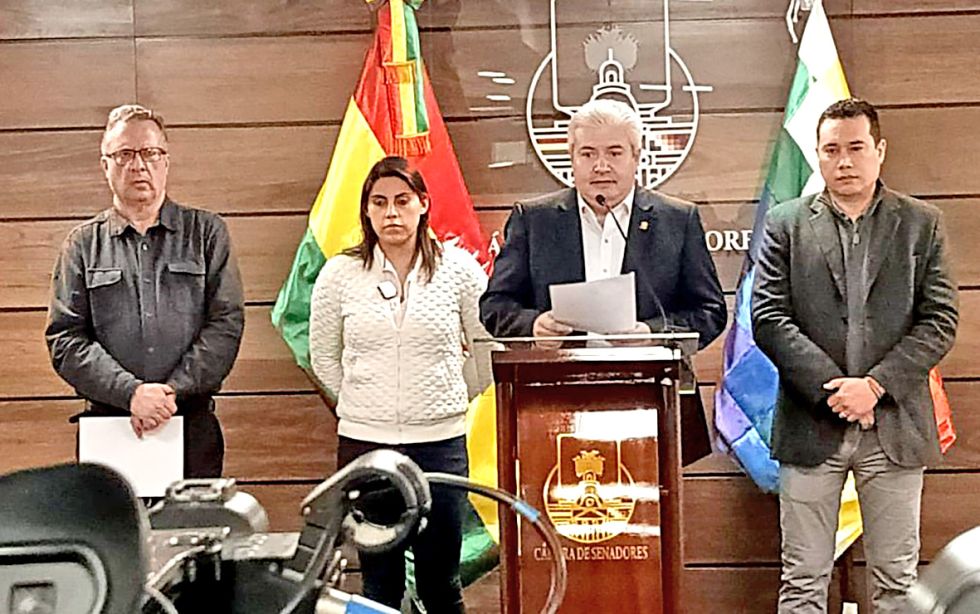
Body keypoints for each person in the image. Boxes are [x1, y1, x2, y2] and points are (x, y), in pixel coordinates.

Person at [753, 98, 959, 613]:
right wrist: (837, 391)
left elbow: (940, 320)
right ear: (817, 155)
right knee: (803, 581)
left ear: (879, 150)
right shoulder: (785, 223)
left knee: (897, 584)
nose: (843, 161)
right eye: (831, 150)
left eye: (855, 148)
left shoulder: (921, 223)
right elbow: (769, 317)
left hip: (894, 426)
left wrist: (874, 387)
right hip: (810, 425)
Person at [479, 98, 726, 463]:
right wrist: (534, 326)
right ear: (572, 158)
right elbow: (495, 305)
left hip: (650, 398)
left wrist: (652, 333)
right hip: (555, 401)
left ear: (636, 156)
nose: (601, 166)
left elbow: (710, 311)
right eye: (588, 154)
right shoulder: (534, 219)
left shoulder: (677, 220)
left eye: (614, 152)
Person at [308, 156, 492, 613]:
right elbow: (323, 356)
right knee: (379, 583)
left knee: (441, 582)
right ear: (366, 211)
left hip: (440, 444)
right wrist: (362, 401)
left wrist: (450, 393)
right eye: (379, 202)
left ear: (423, 204)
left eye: (402, 200)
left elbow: (488, 347)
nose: (391, 212)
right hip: (366, 446)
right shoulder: (340, 274)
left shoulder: (459, 269)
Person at [45, 104, 244, 479]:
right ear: (105, 165)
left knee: (193, 520)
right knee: (115, 520)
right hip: (110, 428)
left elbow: (226, 324)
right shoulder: (82, 245)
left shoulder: (206, 234)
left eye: (150, 153)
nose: (138, 165)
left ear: (166, 161)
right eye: (124, 154)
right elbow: (65, 339)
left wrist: (169, 393)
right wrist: (131, 393)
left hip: (190, 426)